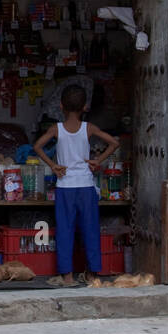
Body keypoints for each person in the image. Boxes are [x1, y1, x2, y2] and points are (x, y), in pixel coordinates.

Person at [33, 84, 120, 288]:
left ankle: (68, 277)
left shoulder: (56, 129)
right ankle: (91, 274)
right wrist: (98, 160)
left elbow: (37, 146)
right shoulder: (89, 128)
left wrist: (53, 165)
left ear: (61, 106)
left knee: (65, 230)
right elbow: (114, 143)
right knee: (90, 230)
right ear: (85, 107)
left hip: (65, 187)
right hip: (86, 187)